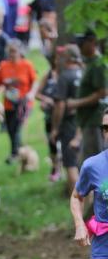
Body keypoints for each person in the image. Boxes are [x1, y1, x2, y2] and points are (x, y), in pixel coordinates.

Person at [70, 108, 108, 259]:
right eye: (106, 128)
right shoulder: (92, 165)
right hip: (103, 250)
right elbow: (77, 196)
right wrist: (80, 225)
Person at [0, 38, 37, 163]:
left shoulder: (27, 65)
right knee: (10, 129)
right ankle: (20, 152)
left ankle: (15, 154)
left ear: (20, 52)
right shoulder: (4, 65)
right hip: (9, 103)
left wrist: (31, 94)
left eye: (14, 51)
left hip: (23, 103)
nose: (12, 54)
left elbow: (35, 82)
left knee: (16, 127)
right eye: (10, 51)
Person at [67, 31, 107, 163]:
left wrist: (77, 103)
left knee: (93, 162)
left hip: (95, 120)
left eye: (82, 42)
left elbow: (102, 92)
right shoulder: (89, 63)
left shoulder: (98, 64)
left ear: (91, 42)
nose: (79, 46)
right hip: (87, 120)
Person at [50, 44, 83, 194]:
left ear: (68, 58)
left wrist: (55, 128)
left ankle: (79, 208)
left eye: (63, 56)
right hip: (86, 125)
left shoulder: (65, 77)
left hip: (69, 125)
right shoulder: (84, 73)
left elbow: (60, 105)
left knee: (70, 165)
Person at [35, 47, 60, 182]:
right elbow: (37, 94)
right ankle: (55, 168)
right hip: (50, 115)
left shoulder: (65, 74)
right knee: (52, 142)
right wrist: (46, 100)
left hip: (63, 116)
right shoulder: (48, 75)